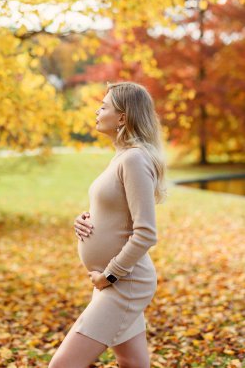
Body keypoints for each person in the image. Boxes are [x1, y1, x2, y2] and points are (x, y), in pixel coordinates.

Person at [48, 82, 167, 368]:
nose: (97, 111)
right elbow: (115, 210)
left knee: (61, 365)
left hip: (124, 282)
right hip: (114, 281)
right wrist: (86, 220)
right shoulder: (123, 157)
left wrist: (110, 276)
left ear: (123, 117)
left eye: (104, 106)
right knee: (132, 362)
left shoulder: (135, 159)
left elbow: (146, 232)